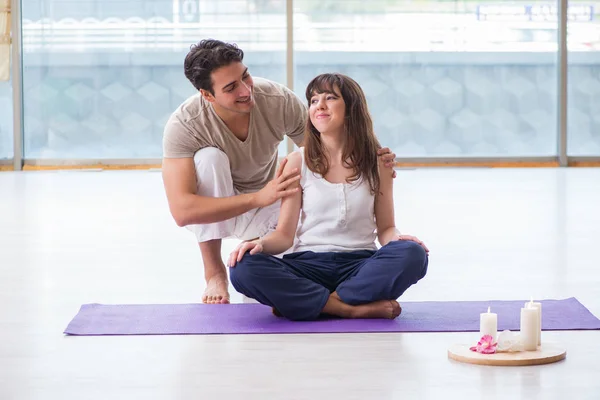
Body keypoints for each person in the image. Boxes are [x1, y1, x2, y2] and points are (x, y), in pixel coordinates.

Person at [161, 40, 398, 304]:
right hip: (225, 206)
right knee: (208, 159)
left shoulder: (275, 99)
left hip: (273, 208)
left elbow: (327, 145)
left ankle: (324, 299)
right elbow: (183, 212)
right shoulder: (185, 124)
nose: (245, 90)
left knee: (404, 253)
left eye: (245, 76)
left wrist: (373, 159)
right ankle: (215, 273)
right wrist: (258, 197)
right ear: (207, 95)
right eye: (230, 87)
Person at [227, 73, 429, 320]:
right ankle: (349, 309)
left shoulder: (378, 163)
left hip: (359, 265)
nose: (319, 105)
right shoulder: (296, 162)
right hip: (308, 265)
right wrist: (260, 244)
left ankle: (309, 302)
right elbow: (284, 235)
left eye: (330, 98)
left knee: (413, 254)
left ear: (352, 109)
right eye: (313, 100)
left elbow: (385, 227)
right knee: (243, 267)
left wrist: (398, 238)